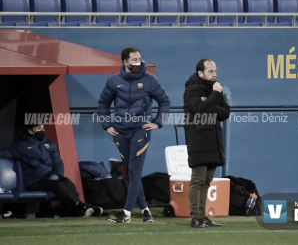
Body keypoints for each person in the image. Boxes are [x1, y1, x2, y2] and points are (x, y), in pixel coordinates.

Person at [98, 47, 170, 223]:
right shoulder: (113, 81)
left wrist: (158, 122)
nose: (138, 61)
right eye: (134, 59)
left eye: (140, 58)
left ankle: (127, 214)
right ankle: (146, 211)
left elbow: (165, 101)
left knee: (135, 172)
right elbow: (103, 104)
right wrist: (106, 125)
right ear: (125, 62)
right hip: (120, 132)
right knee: (130, 173)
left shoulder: (150, 80)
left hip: (140, 131)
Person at [0, 123, 102, 217]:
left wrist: (57, 174)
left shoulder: (49, 145)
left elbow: (58, 163)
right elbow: (4, 153)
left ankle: (79, 209)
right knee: (56, 184)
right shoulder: (21, 146)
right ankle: (81, 207)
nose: (42, 130)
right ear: (31, 131)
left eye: (43, 128)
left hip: (49, 179)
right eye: (39, 128)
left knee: (66, 181)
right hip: (33, 182)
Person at [183, 59, 230, 228]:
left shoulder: (214, 89)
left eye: (215, 71)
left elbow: (225, 112)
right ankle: (196, 217)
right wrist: (214, 97)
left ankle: (203, 217)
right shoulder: (191, 90)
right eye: (210, 71)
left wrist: (210, 102)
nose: (215, 74)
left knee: (206, 181)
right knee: (197, 180)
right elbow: (201, 110)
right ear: (200, 73)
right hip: (198, 141)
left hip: (213, 141)